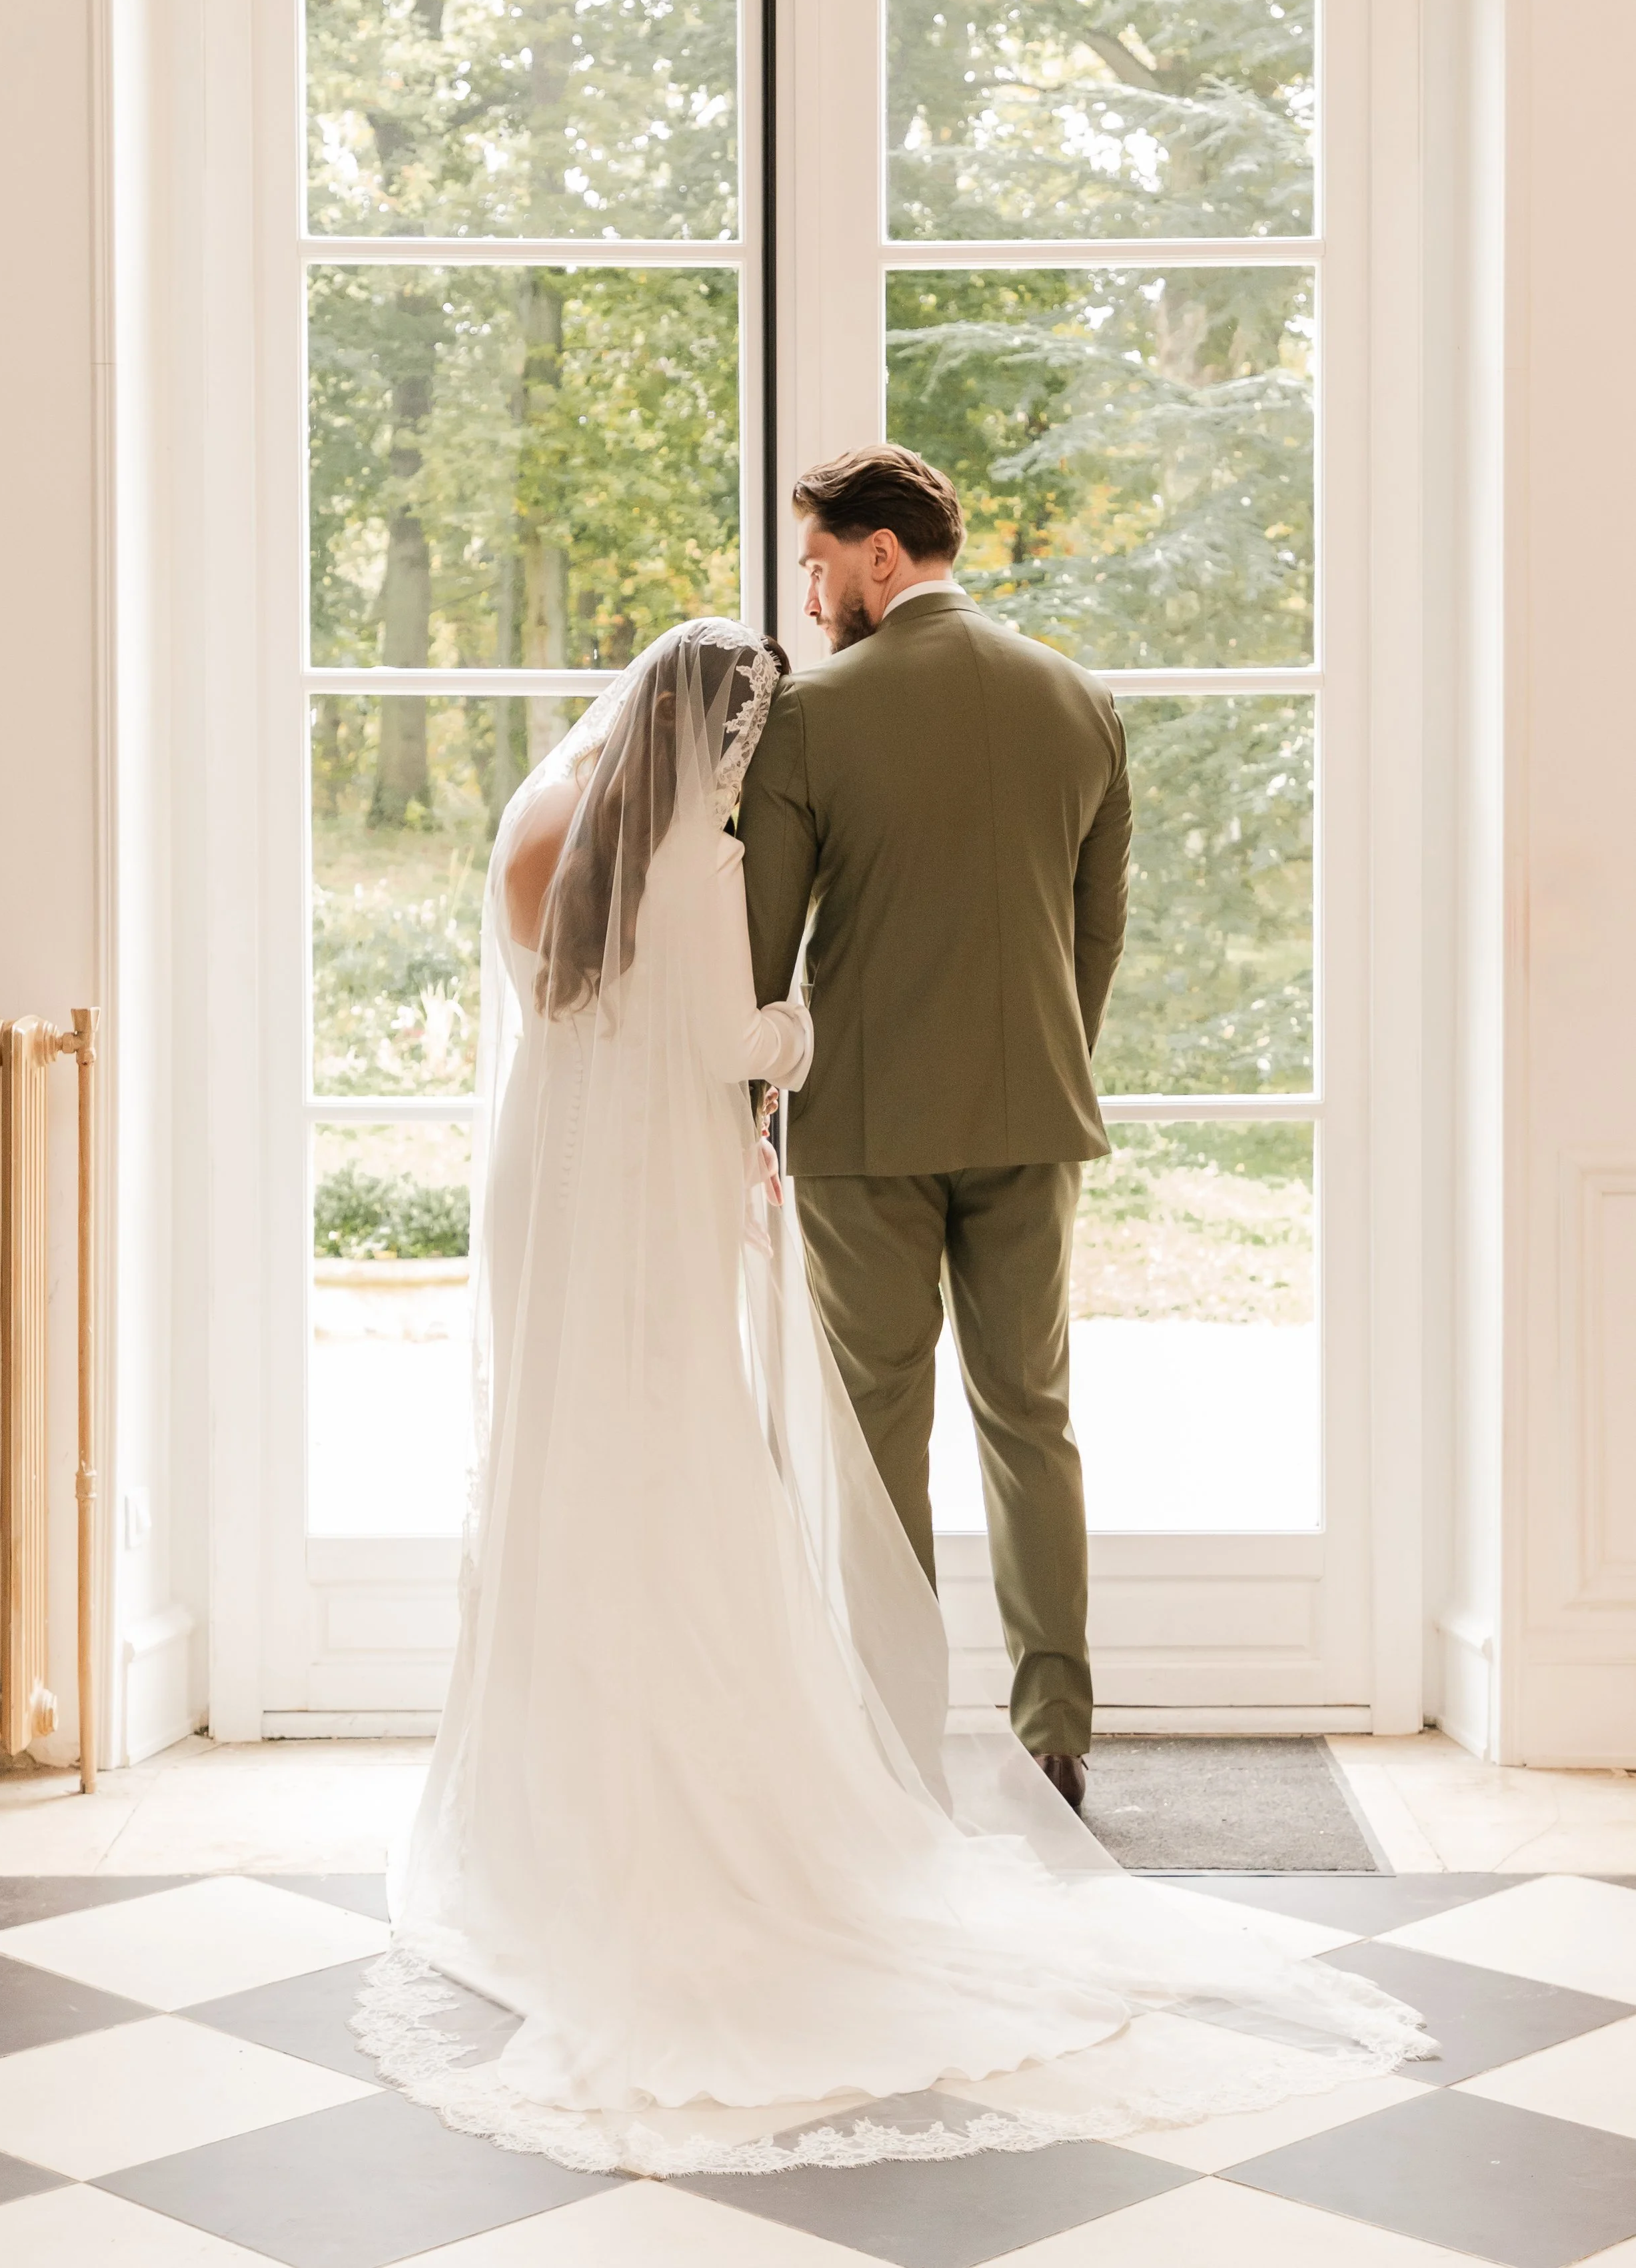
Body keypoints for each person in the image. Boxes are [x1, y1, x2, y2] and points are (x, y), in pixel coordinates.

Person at [356, 607, 1426, 2181]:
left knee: (561, 1458)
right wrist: (792, 1034)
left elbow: (566, 1013)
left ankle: (551, 1791)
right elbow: (737, 1029)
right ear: (719, 732)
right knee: (723, 1448)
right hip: (681, 1187)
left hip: (545, 1186)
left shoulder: (540, 816)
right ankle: (925, 1745)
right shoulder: (711, 847)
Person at [740, 446, 1130, 1814]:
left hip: (863, 1123)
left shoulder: (812, 720)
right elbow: (1093, 939)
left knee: (878, 1431)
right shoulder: (1079, 703)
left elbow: (759, 953)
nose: (809, 593)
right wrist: (1038, 1062)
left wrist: (745, 1112)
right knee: (1033, 1420)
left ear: (879, 556)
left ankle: (894, 1733)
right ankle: (1057, 1734)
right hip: (1033, 1111)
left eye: (816, 563)